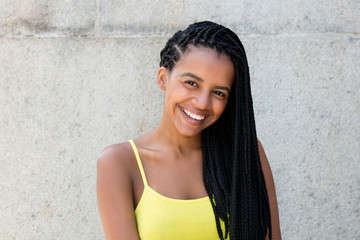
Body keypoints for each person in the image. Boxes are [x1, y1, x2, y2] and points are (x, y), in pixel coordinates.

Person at [97, 21, 281, 240]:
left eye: (219, 93)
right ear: (163, 78)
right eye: (192, 83)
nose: (203, 103)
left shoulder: (244, 153)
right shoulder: (119, 163)